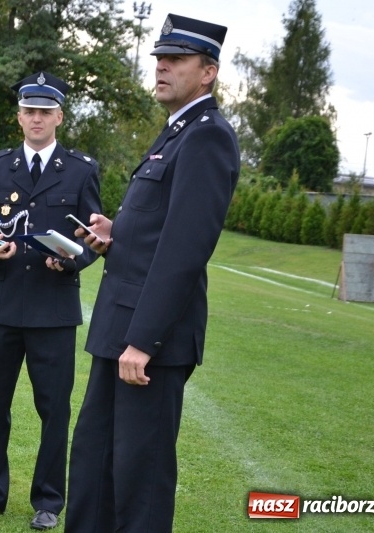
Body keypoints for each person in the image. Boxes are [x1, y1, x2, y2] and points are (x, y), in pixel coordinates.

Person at [65, 14, 240, 532]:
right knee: (95, 461)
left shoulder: (208, 137)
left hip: (147, 339)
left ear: (207, 72)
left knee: (138, 475)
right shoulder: (178, 130)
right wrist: (115, 232)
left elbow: (185, 249)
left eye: (176, 60)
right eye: (160, 58)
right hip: (119, 325)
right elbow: (157, 230)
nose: (162, 67)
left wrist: (144, 340)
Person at [0, 72, 102, 530]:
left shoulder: (81, 170)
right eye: (29, 111)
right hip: (3, 305)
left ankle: (48, 502)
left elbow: (93, 238)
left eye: (45, 111)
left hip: (54, 310)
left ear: (59, 116)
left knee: (54, 409)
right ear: (19, 116)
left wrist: (72, 261)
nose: (37, 118)